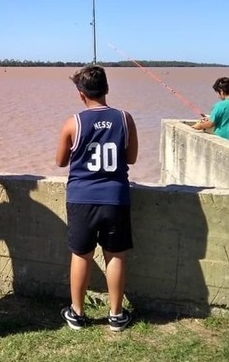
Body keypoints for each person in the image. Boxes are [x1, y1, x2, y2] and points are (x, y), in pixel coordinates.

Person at [55, 65, 138, 332]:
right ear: (107, 90)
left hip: (81, 199)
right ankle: (115, 315)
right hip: (115, 197)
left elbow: (60, 161)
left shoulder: (73, 123)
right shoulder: (125, 118)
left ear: (81, 94)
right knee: (115, 255)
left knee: (81, 254)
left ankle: (77, 313)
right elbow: (132, 158)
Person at [191, 77, 229, 145]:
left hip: (224, 144)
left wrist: (199, 125)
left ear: (221, 91)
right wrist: (210, 117)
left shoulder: (220, 105)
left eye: (217, 92)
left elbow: (210, 124)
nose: (218, 96)